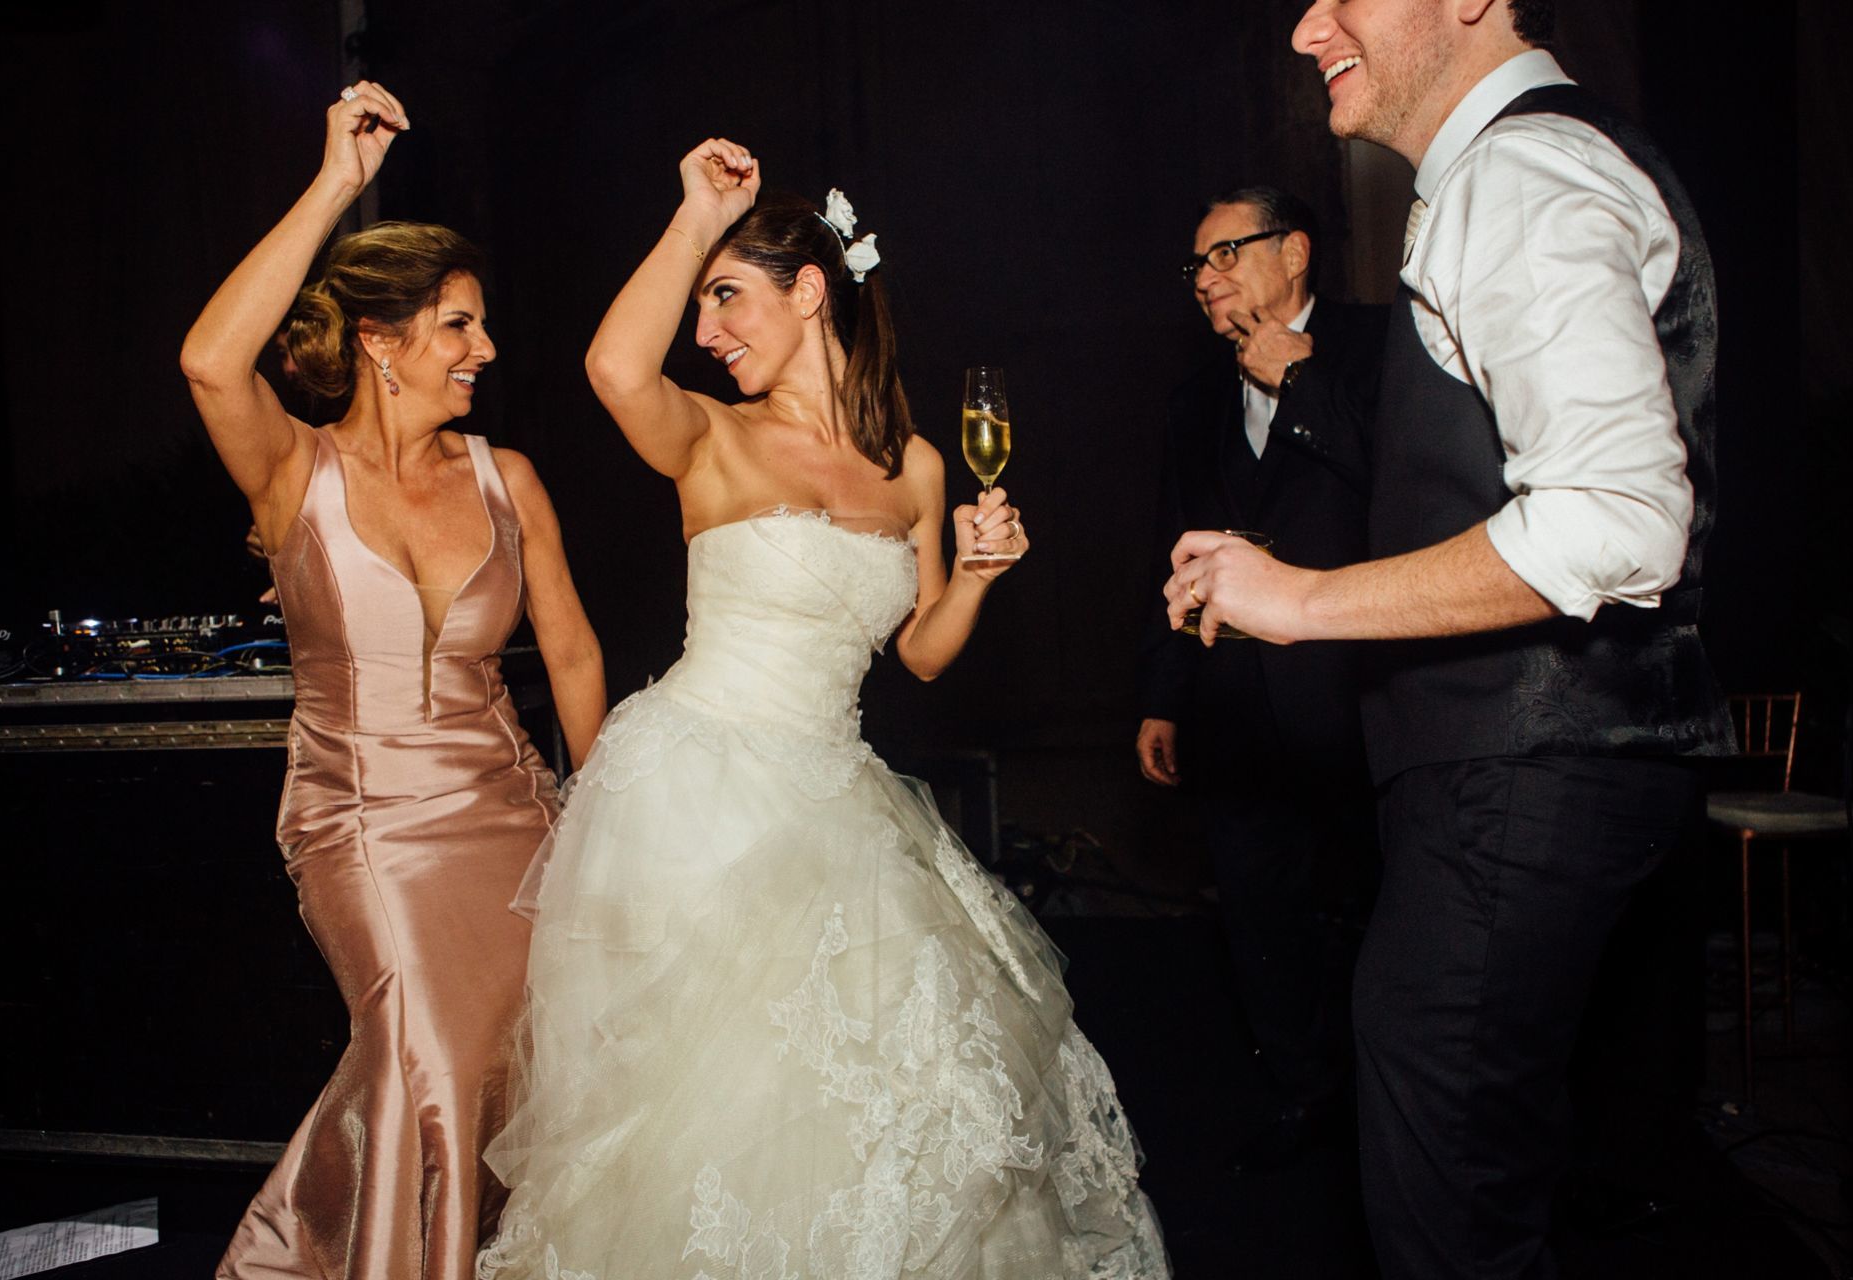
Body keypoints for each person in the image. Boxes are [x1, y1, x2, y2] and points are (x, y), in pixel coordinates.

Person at [477, 139, 1168, 1280]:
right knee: (717, 1116)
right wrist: (698, 220)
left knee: (890, 1121)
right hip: (699, 800)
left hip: (842, 802)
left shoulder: (921, 468)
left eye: (729, 297)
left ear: (811, 292)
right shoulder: (713, 435)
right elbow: (613, 367)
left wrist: (983, 578)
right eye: (702, 307)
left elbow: (926, 652)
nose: (708, 331)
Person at [1168, 2, 1736, 1275]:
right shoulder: (1507, 169)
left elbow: (1618, 516)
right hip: (1530, 769)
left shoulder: (1522, 167)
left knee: (1448, 1216)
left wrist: (1302, 599)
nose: (1310, 27)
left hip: (1520, 772)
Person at [180, 82, 606, 1280]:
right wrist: (333, 186)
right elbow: (212, 361)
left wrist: (599, 811)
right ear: (382, 340)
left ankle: (312, 1246)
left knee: (509, 1071)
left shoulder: (506, 478)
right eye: (459, 326)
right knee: (427, 1050)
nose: (486, 348)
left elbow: (570, 651)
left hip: (513, 813)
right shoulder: (292, 475)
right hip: (359, 821)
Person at [1136, 186, 1384, 1170]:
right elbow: (1169, 548)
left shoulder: (1380, 349)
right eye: (1196, 264)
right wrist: (1161, 693)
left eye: (1227, 252)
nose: (1205, 279)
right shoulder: (1192, 400)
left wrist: (1308, 382)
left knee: (1375, 907)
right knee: (1259, 912)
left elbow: (1419, 492)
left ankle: (1386, 1106)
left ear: (1297, 254)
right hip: (1231, 704)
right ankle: (1301, 1093)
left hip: (1360, 698)